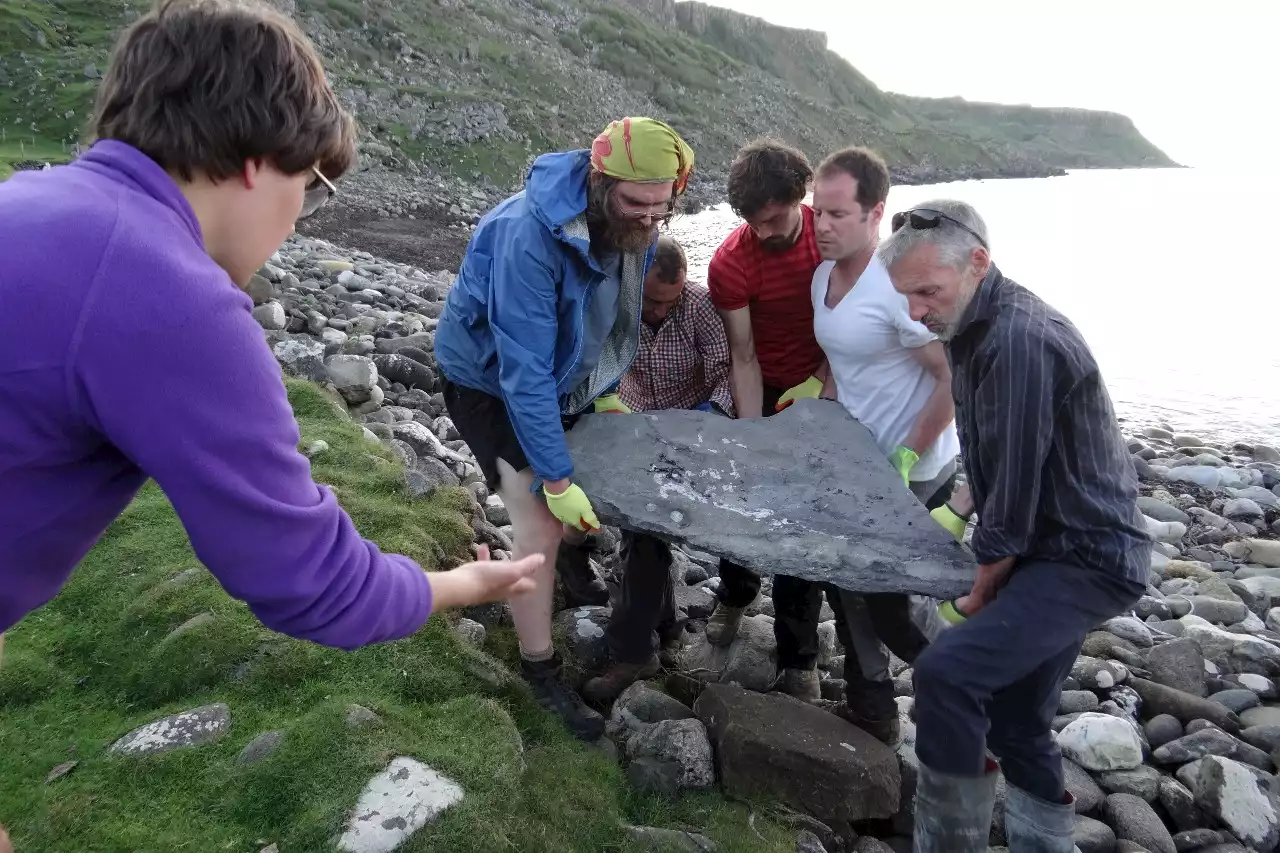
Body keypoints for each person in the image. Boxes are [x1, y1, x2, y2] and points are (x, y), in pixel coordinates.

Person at [0, 0, 538, 666]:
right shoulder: (174, 297)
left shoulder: (31, 200)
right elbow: (316, 582)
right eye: (312, 191)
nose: (295, 225)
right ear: (259, 161)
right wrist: (457, 584)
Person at [880, 201, 1151, 852]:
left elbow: (1018, 493)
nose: (915, 312)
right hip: (1046, 546)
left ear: (979, 262)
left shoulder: (1018, 338)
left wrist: (976, 592)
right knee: (1017, 716)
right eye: (905, 297)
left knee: (947, 674)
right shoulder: (972, 325)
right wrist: (963, 503)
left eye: (926, 293)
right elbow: (992, 452)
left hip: (1084, 555)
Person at [433, 117, 696, 740]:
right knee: (538, 520)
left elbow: (604, 322)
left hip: (560, 380)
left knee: (596, 484)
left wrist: (600, 395)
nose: (648, 221)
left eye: (662, 209)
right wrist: (553, 477)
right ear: (601, 183)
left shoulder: (632, 229)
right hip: (488, 383)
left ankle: (576, 575)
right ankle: (540, 668)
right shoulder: (528, 236)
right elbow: (522, 371)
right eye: (637, 204)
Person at [807, 146, 961, 742]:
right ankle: (873, 704)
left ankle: (964, 693)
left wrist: (908, 454)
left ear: (876, 213)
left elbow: (949, 375)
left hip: (911, 472)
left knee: (895, 602)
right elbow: (847, 356)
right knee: (847, 585)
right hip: (855, 466)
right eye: (818, 211)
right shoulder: (823, 277)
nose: (822, 225)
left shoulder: (898, 286)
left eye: (837, 214)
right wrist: (819, 404)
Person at [574, 235, 736, 704]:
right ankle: (662, 625)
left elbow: (726, 368)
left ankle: (634, 647)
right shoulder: (614, 306)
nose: (663, 311)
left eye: (672, 300)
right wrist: (606, 401)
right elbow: (593, 361)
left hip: (691, 431)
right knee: (641, 530)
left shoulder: (700, 307)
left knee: (645, 534)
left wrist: (712, 414)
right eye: (654, 302)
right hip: (632, 423)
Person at [704, 138, 830, 701]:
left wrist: (821, 390)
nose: (767, 230)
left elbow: (854, 329)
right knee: (745, 494)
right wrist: (752, 436)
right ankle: (734, 592)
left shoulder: (833, 242)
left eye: (776, 217)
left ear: (799, 196)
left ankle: (799, 655)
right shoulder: (731, 262)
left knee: (803, 520)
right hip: (763, 382)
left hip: (826, 384)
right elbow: (743, 355)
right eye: (755, 221)